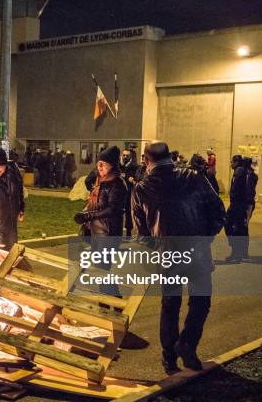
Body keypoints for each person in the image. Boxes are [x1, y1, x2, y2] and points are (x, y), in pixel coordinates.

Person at [132, 141, 226, 375]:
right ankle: (187, 346)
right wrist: (206, 237)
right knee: (201, 303)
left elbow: (141, 233)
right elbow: (218, 210)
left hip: (168, 256)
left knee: (170, 305)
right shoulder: (193, 177)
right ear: (170, 157)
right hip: (198, 252)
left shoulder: (141, 189)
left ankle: (169, 358)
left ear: (146, 160)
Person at [74, 146, 127, 296]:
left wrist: (88, 216)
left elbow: (112, 209)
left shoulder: (117, 183)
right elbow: (96, 202)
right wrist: (86, 213)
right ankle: (109, 304)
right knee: (101, 270)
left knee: (102, 269)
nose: (100, 167)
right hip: (97, 231)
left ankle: (116, 304)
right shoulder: (101, 180)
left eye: (104, 164)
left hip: (108, 233)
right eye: (98, 164)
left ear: (112, 165)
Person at [225, 155, 253, 262]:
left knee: (230, 225)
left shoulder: (239, 172)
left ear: (236, 162)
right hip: (242, 205)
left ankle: (236, 253)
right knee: (242, 228)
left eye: (232, 162)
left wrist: (234, 204)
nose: (230, 164)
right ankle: (243, 253)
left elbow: (236, 190)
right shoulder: (244, 171)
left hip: (237, 205)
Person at [121, 149, 139, 239]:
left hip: (129, 192)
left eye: (127, 156)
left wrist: (131, 179)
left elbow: (137, 178)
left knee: (128, 212)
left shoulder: (135, 167)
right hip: (119, 193)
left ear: (130, 157)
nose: (124, 157)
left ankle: (128, 233)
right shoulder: (119, 166)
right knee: (118, 212)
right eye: (123, 155)